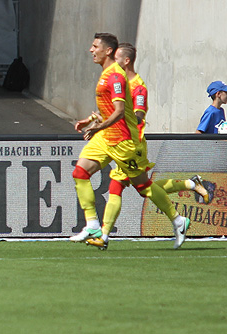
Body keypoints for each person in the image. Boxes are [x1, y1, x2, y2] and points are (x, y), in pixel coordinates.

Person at [69, 33, 190, 249]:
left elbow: (120, 111)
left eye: (95, 46)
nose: (91, 50)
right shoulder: (107, 74)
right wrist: (91, 119)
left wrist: (99, 126)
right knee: (80, 173)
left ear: (108, 51)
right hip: (106, 138)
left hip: (124, 141)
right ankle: (93, 225)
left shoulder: (117, 77)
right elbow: (109, 108)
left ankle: (178, 219)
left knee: (143, 186)